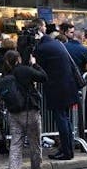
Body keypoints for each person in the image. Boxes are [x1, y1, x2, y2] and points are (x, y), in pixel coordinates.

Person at [0, 49, 50, 169]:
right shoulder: (24, 70)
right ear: (18, 60)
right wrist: (35, 64)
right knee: (35, 143)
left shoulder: (5, 73)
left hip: (13, 112)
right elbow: (43, 77)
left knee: (16, 142)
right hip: (29, 110)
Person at [34, 28, 81, 161]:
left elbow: (39, 68)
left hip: (57, 89)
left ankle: (66, 151)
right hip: (67, 87)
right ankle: (68, 150)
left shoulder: (42, 48)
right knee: (66, 119)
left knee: (61, 119)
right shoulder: (56, 44)